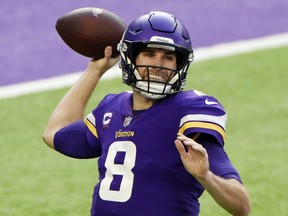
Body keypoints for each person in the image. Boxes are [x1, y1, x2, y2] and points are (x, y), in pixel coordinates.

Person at [43, 11, 250, 216]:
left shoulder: (189, 112)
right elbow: (55, 132)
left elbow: (241, 206)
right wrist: (94, 71)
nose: (158, 65)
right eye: (149, 55)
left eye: (168, 57)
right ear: (130, 58)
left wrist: (206, 177)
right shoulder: (111, 109)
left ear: (180, 64)